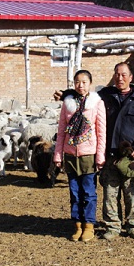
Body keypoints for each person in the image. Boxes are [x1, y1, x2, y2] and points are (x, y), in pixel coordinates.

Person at [56, 62, 134, 240]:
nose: (120, 78)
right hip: (110, 153)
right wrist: (66, 94)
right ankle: (112, 226)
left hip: (131, 156)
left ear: (131, 78)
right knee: (110, 192)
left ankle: (133, 225)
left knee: (132, 192)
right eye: (117, 74)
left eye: (124, 75)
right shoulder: (105, 96)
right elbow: (83, 94)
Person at [53, 70, 106, 242]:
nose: (80, 85)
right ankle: (77, 224)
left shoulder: (96, 103)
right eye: (77, 82)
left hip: (88, 154)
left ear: (90, 83)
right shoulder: (68, 103)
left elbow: (101, 131)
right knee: (74, 193)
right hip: (70, 154)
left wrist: (100, 156)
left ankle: (89, 225)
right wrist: (58, 155)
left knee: (89, 193)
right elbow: (61, 131)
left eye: (84, 82)